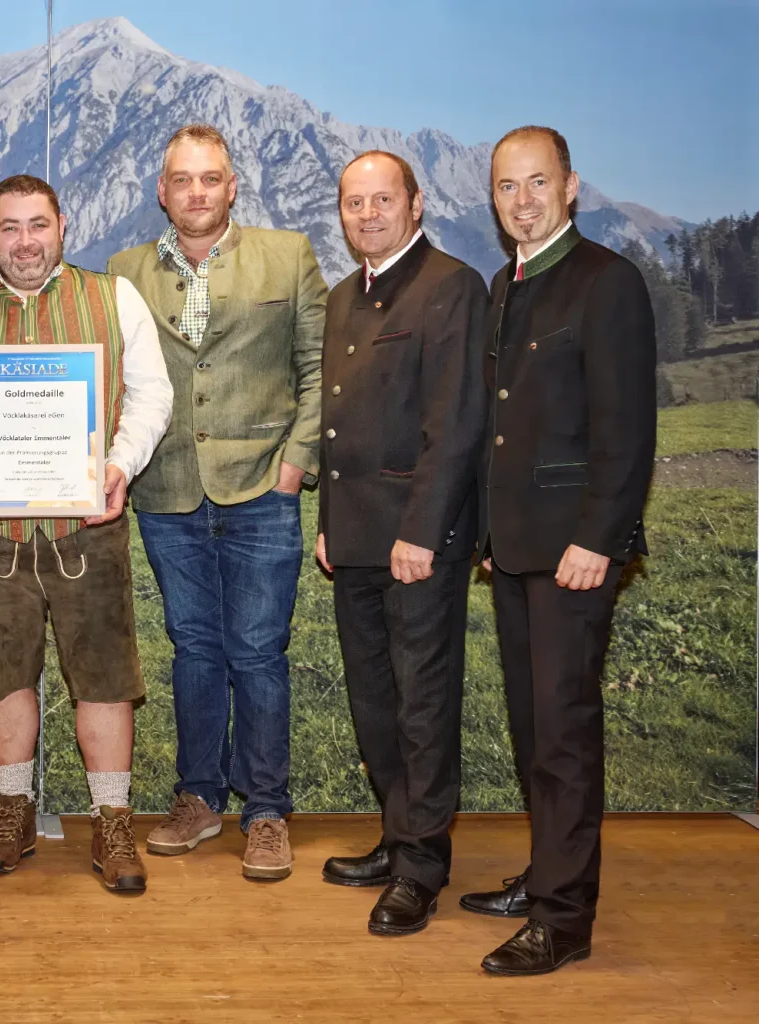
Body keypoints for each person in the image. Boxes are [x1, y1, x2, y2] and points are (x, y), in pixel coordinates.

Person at [0, 173, 174, 893]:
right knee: (2, 673)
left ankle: (113, 822)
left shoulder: (112, 297)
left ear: (63, 226)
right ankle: (14, 808)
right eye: (10, 227)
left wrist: (118, 465)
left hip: (88, 521)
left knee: (104, 676)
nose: (25, 241)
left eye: (38, 224)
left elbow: (152, 394)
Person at [107, 124, 326, 879]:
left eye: (210, 178)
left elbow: (319, 369)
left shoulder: (288, 254)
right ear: (161, 191)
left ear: (233, 186)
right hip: (166, 490)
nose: (196, 191)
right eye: (181, 179)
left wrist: (296, 465)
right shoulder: (124, 271)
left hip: (265, 487)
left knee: (258, 651)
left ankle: (266, 810)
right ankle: (198, 797)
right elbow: (114, 381)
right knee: (194, 649)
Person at [463, 126, 656, 975]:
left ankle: (564, 919)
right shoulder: (508, 285)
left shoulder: (606, 283)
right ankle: (547, 874)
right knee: (535, 726)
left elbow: (627, 431)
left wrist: (599, 538)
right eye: (508, 187)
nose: (522, 200)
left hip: (574, 551)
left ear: (572, 186)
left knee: (565, 735)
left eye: (538, 183)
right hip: (513, 549)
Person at [315, 151, 488, 934]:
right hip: (352, 535)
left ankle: (422, 865)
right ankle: (395, 835)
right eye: (356, 202)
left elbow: (454, 424)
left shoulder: (451, 287)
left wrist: (423, 530)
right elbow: (339, 420)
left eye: (385, 199)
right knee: (374, 701)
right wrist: (326, 522)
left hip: (416, 540)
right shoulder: (346, 295)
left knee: (422, 704)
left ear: (416, 205)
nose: (369, 213)